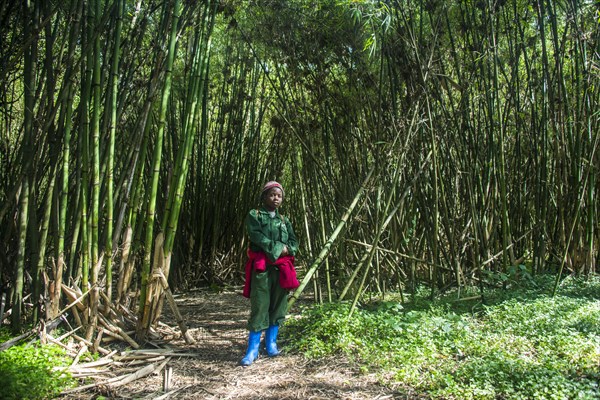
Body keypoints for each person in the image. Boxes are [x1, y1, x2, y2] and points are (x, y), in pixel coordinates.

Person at [240, 181, 299, 366]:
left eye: (279, 195)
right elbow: (256, 236)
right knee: (260, 304)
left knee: (279, 304)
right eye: (272, 194)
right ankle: (252, 349)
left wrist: (289, 249)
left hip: (281, 268)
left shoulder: (284, 220)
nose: (276, 198)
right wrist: (277, 249)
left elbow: (294, 241)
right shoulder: (254, 215)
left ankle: (271, 343)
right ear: (264, 196)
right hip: (263, 267)